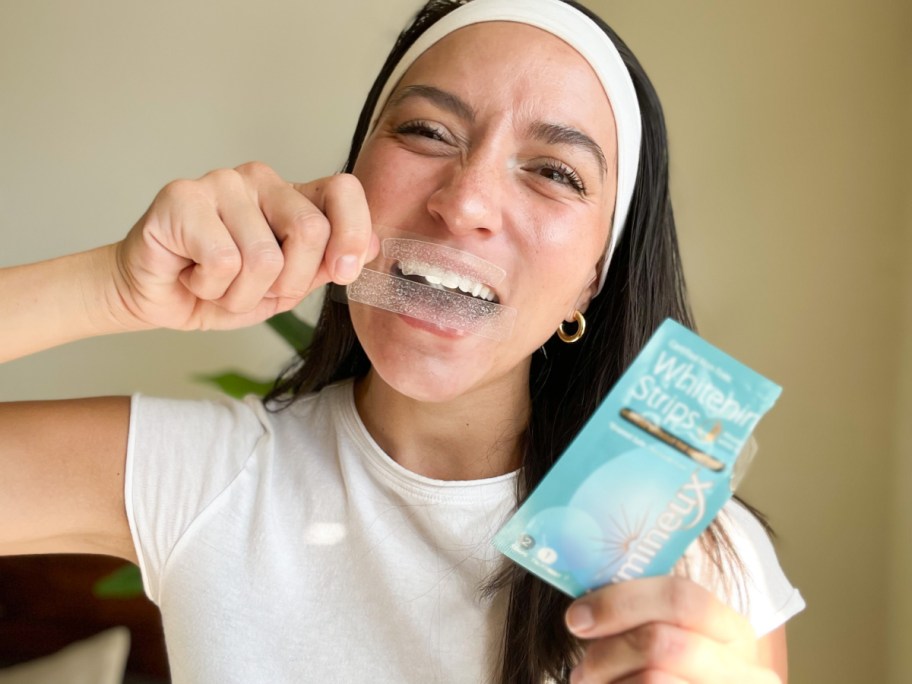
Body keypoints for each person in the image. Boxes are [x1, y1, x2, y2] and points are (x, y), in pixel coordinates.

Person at [0, 0, 804, 681]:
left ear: (594, 277)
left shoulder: (694, 549)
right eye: (426, 132)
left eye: (555, 172)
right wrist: (109, 284)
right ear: (353, 182)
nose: (467, 203)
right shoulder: (208, 478)